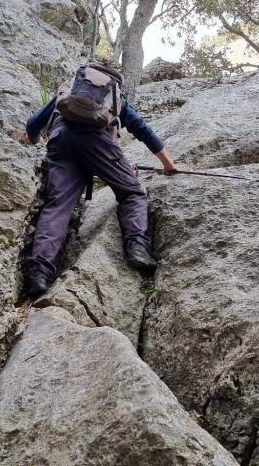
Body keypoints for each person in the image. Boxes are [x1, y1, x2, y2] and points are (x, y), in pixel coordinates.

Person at [21, 62, 177, 298]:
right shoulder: (113, 94)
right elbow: (142, 129)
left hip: (60, 139)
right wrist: (168, 163)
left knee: (57, 206)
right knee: (132, 192)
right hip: (95, 142)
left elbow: (33, 124)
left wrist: (30, 140)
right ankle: (136, 247)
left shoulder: (70, 88)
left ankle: (38, 272)